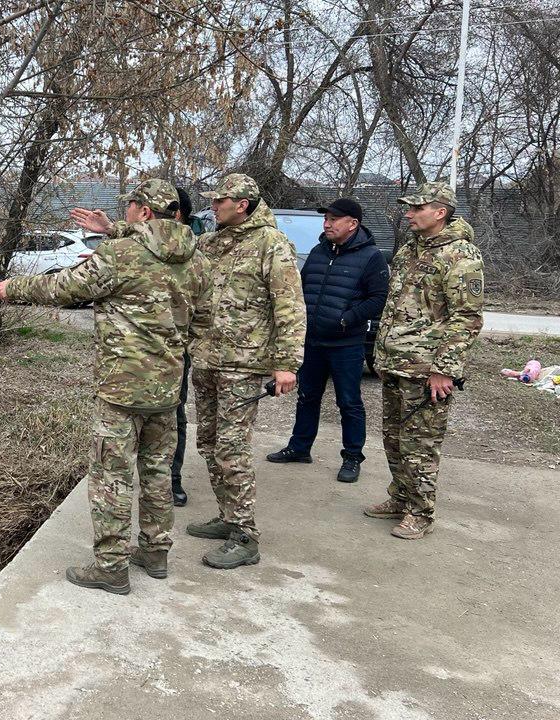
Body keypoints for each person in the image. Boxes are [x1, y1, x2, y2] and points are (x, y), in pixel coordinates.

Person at [0, 179, 210, 594]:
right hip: (167, 390)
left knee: (111, 474)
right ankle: (156, 552)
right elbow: (204, 323)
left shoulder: (120, 255)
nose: (125, 211)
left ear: (144, 211)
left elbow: (62, 287)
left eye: (130, 205)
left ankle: (110, 566)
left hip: (121, 390)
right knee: (157, 471)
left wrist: (12, 288)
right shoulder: (198, 260)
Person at [186, 173, 305, 570]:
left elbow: (288, 305)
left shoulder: (271, 244)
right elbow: (170, 247)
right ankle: (226, 516)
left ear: (242, 204)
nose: (213, 206)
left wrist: (287, 363)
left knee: (232, 449)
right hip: (206, 358)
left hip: (242, 363)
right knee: (208, 443)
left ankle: (244, 535)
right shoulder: (211, 241)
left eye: (220, 201)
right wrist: (115, 229)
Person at [365, 181, 483, 539]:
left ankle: (421, 512)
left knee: (421, 444)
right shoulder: (409, 250)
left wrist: (443, 370)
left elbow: (466, 318)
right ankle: (401, 497)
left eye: (417, 209)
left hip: (426, 370)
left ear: (440, 212)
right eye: (410, 208)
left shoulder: (461, 256)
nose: (409, 214)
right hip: (396, 363)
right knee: (394, 438)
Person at [266, 198, 389, 483]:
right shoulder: (320, 251)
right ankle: (299, 448)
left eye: (334, 219)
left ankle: (352, 457)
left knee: (349, 402)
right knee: (307, 396)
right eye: (326, 219)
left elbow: (379, 299)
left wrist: (347, 318)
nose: (327, 223)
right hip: (312, 341)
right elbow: (303, 286)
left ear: (352, 224)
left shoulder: (371, 257)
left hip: (346, 343)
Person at [170, 186, 196, 507]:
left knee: (174, 414)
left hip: (177, 350)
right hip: (136, 353)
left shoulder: (194, 251)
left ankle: (173, 477)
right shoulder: (133, 245)